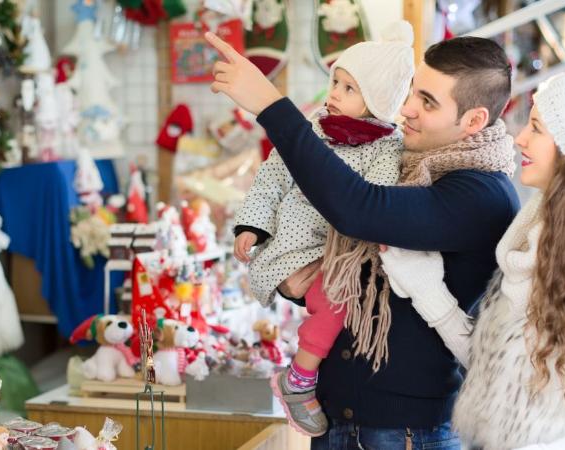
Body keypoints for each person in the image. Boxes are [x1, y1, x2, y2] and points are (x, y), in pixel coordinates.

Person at [207, 33, 520, 449]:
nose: (406, 108)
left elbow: (359, 210)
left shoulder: (480, 194)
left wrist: (271, 105)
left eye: (428, 102)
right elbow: (361, 274)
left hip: (404, 431)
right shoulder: (404, 161)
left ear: (474, 120)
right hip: (342, 417)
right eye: (412, 92)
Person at [380, 69, 565, 449]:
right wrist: (426, 288)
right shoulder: (541, 235)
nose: (520, 138)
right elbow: (497, 372)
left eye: (538, 128)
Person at [233, 22, 415, 437]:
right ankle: (299, 378)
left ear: (379, 101)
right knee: (335, 302)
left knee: (342, 300)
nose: (333, 94)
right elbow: (271, 178)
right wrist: (253, 225)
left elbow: (375, 200)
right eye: (336, 82)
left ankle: (303, 372)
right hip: (292, 247)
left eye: (349, 89)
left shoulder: (388, 147)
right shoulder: (312, 130)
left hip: (339, 254)